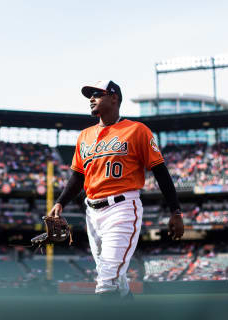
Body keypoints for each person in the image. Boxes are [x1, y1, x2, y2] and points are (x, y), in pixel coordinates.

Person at [48, 80, 184, 299]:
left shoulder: (136, 130)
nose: (91, 98)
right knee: (118, 283)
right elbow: (78, 176)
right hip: (92, 214)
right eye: (89, 95)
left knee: (106, 283)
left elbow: (160, 171)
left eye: (97, 94)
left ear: (114, 97)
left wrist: (176, 211)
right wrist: (60, 202)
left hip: (122, 208)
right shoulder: (84, 136)